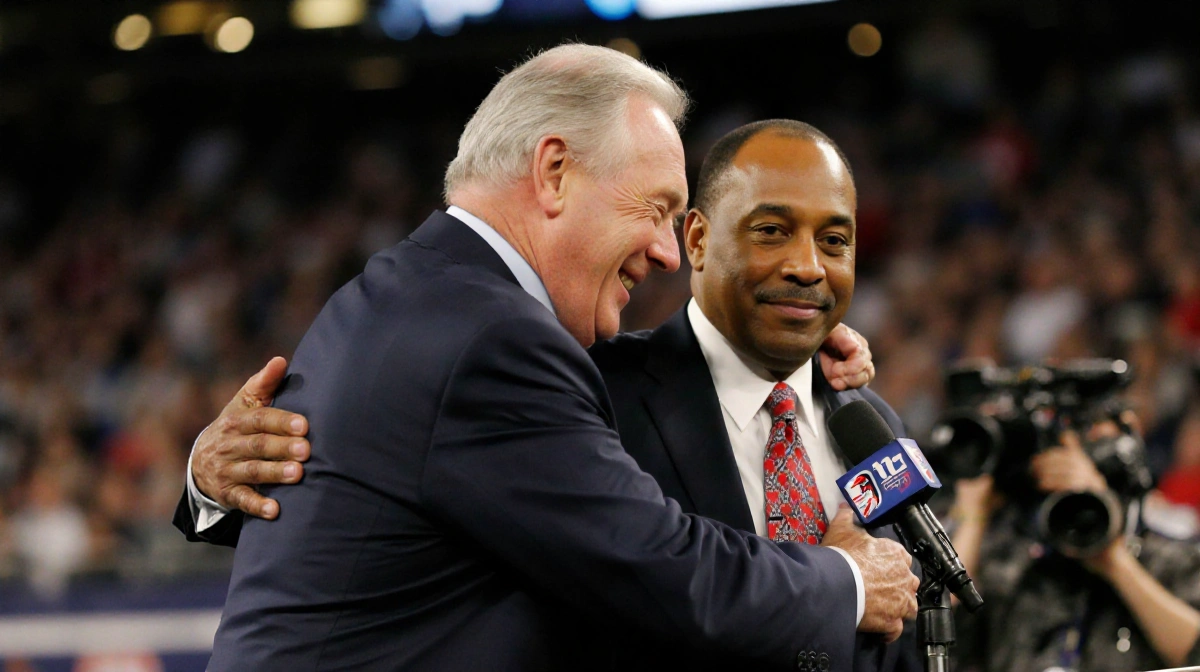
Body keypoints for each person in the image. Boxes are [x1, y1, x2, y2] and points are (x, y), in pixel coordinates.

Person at [181, 45, 920, 672]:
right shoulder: (493, 339)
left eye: (835, 241)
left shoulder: (403, 292)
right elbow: (657, 567)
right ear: (556, 171)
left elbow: (372, 506)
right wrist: (847, 581)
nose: (665, 253)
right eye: (656, 208)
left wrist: (206, 487)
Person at [949, 423, 1200, 671]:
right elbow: (936, 638)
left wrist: (1112, 557)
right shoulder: (1006, 557)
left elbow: (1194, 652)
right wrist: (973, 517)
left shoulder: (1168, 556)